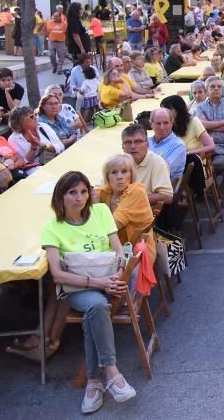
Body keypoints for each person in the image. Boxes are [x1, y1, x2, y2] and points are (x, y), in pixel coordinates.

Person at [40, 171, 137, 413]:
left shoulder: (101, 212)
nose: (79, 198)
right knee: (97, 306)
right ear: (60, 197)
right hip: (78, 287)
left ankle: (94, 382)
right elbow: (58, 275)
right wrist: (100, 283)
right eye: (72, 192)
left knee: (95, 311)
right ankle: (112, 373)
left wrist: (119, 271)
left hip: (110, 281)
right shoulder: (52, 227)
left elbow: (118, 249)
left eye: (83, 191)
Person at [96, 154, 156, 269]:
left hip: (134, 251)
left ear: (131, 174)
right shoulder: (105, 192)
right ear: (107, 176)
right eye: (114, 172)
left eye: (124, 172)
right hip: (110, 248)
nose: (119, 177)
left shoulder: (136, 192)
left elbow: (113, 226)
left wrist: (95, 205)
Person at [120, 124, 174, 212]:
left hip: (142, 214)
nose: (133, 146)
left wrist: (132, 201)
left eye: (138, 142)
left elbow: (167, 196)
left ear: (147, 145)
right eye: (128, 142)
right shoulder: (119, 162)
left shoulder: (157, 162)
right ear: (123, 146)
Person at [195, 76, 224, 172]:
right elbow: (202, 125)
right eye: (212, 86)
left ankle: (211, 184)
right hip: (204, 146)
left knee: (219, 163)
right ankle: (206, 184)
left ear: (222, 90)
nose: (216, 89)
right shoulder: (200, 107)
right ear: (206, 90)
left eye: (219, 87)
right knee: (194, 163)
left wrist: (208, 127)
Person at [148, 108, 186, 183]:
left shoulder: (178, 145)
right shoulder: (146, 142)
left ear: (171, 123)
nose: (162, 127)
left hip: (164, 189)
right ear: (151, 124)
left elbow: (164, 171)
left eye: (166, 123)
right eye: (158, 123)